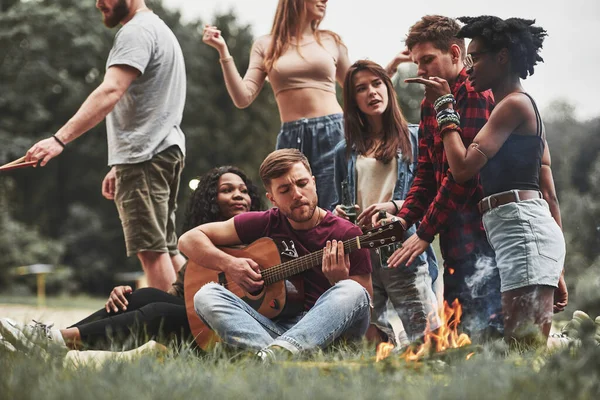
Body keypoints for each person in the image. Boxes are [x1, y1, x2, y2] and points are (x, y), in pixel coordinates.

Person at [413, 16, 567, 343]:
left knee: (522, 345)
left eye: (476, 57)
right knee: (517, 342)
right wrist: (558, 267)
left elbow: (463, 168)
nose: (469, 68)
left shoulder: (511, 106)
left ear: (502, 58)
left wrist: (443, 104)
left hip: (522, 229)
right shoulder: (514, 107)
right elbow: (549, 194)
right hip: (523, 228)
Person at [0, 167, 263, 352]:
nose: (238, 195)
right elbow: (175, 296)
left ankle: (50, 340)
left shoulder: (262, 244)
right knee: (144, 296)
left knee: (159, 312)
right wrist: (127, 297)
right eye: (227, 190)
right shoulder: (201, 249)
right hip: (198, 330)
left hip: (230, 338)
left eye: (243, 190)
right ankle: (56, 345)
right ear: (210, 201)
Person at [23, 0, 187, 291]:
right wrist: (118, 164)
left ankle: (169, 331)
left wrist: (58, 139)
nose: (99, 2)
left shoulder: (136, 32)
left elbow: (111, 90)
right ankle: (200, 326)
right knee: (169, 250)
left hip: (145, 156)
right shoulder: (158, 29)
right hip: (162, 149)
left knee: (152, 251)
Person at [181, 149, 372, 360]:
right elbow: (188, 240)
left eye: (302, 184)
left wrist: (338, 281)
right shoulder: (266, 222)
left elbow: (365, 302)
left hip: (330, 336)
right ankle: (280, 355)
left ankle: (273, 356)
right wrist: (230, 264)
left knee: (352, 289)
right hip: (274, 330)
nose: (297, 194)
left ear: (314, 182)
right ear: (272, 198)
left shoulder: (346, 234)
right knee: (206, 295)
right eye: (285, 189)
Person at [384, 15, 503, 340]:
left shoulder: (476, 94)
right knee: (461, 336)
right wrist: (402, 220)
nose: (420, 70)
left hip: (482, 237)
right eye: (416, 62)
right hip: (453, 238)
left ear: (454, 53)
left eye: (427, 60)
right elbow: (425, 174)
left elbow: (462, 178)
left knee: (485, 338)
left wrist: (424, 231)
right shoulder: (429, 103)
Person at [202, 0, 350, 210]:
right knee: (291, 209)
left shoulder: (330, 41)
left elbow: (357, 85)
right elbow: (243, 98)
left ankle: (338, 245)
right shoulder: (266, 44)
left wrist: (390, 69)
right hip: (291, 137)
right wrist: (223, 51)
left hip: (333, 132)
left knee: (336, 207)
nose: (325, 1)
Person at [330, 60, 440, 345]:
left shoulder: (415, 138)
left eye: (377, 84)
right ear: (353, 99)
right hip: (362, 254)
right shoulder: (344, 151)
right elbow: (337, 203)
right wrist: (337, 212)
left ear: (388, 88)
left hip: (402, 249)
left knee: (425, 338)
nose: (371, 92)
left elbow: (435, 193)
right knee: (370, 341)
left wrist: (395, 206)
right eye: (361, 88)